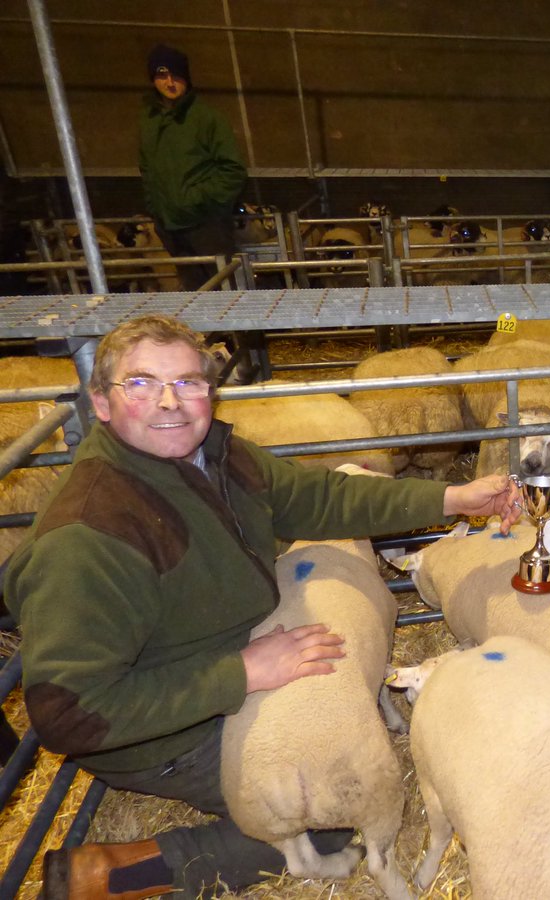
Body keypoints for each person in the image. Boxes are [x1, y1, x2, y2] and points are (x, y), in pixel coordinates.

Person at [5, 315, 520, 899]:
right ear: (100, 402)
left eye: (189, 382)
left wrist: (452, 496)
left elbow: (320, 497)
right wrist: (243, 672)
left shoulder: (214, 458)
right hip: (168, 728)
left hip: (225, 653)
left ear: (210, 390)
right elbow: (69, 714)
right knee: (327, 812)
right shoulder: (87, 538)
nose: (171, 402)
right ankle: (113, 872)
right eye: (142, 384)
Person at [139, 44, 246, 291]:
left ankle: (246, 330)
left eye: (175, 76)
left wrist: (197, 200)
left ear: (186, 78)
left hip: (205, 222)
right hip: (170, 224)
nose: (170, 83)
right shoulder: (148, 121)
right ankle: (206, 331)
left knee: (228, 283)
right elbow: (146, 167)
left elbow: (233, 169)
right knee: (194, 289)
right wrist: (156, 208)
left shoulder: (206, 118)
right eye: (161, 76)